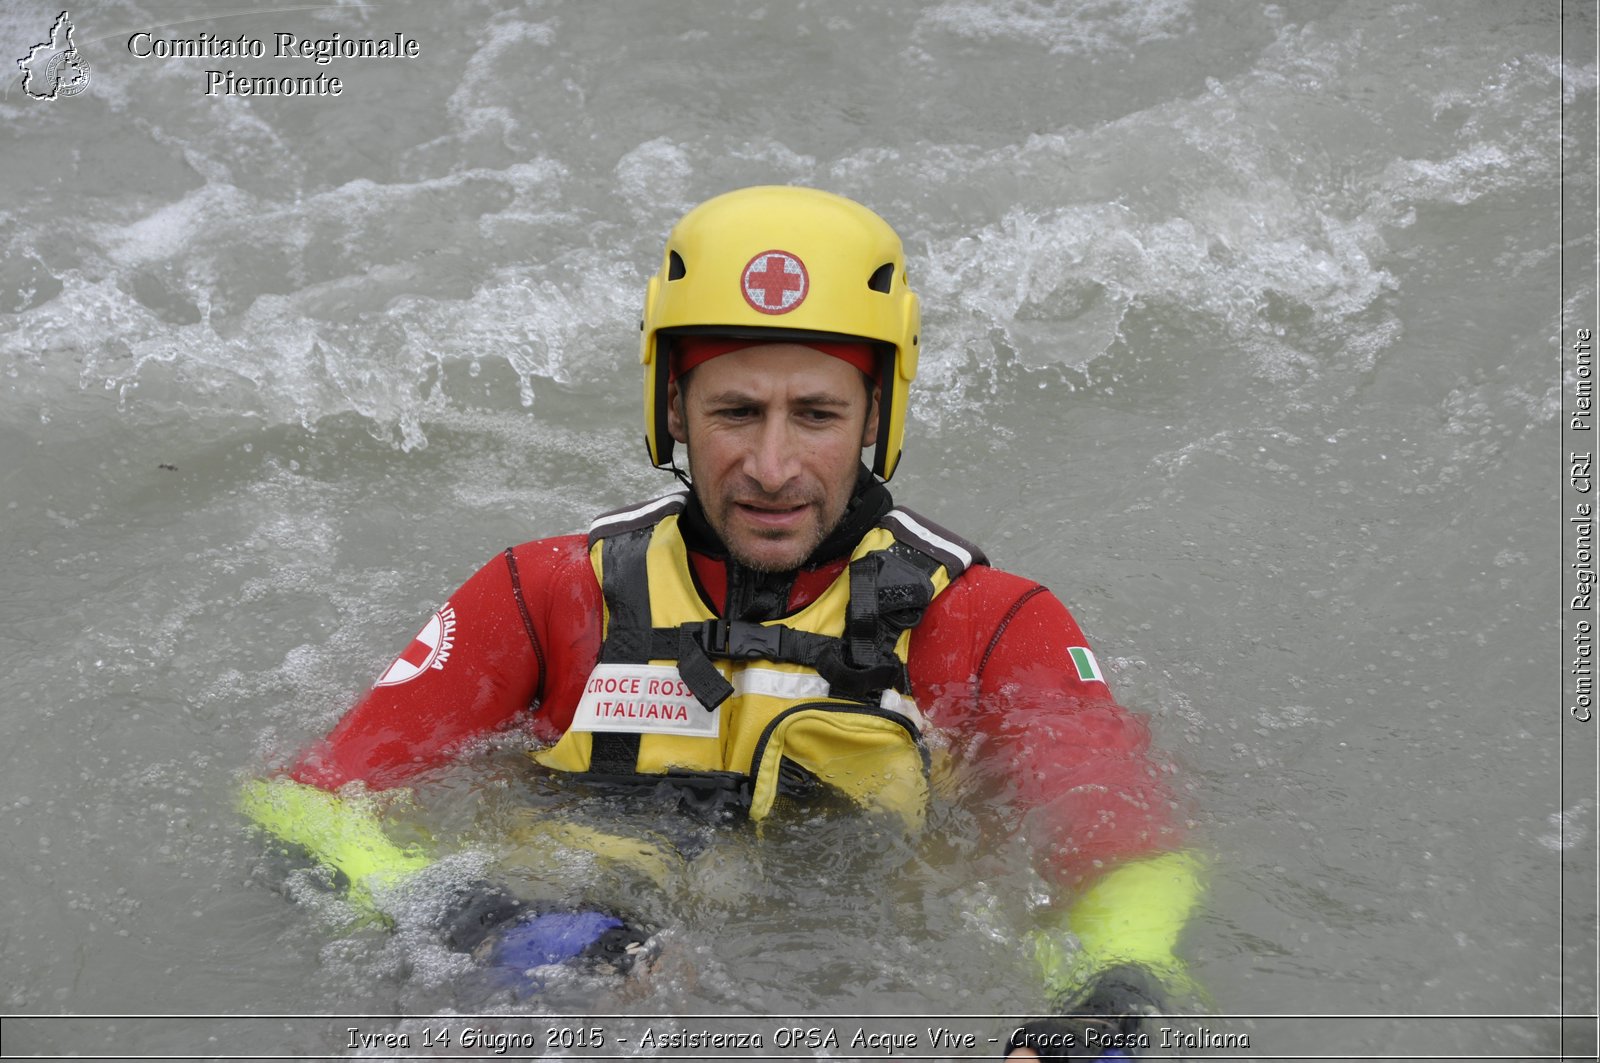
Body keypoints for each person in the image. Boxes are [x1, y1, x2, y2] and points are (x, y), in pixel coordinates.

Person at [240, 186, 1202, 1053]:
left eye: (816, 415)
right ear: (673, 404)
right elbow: (298, 803)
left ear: (877, 412)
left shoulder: (990, 626)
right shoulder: (546, 596)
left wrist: (1111, 996)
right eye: (736, 411)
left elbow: (1125, 854)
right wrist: (476, 918)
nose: (773, 466)